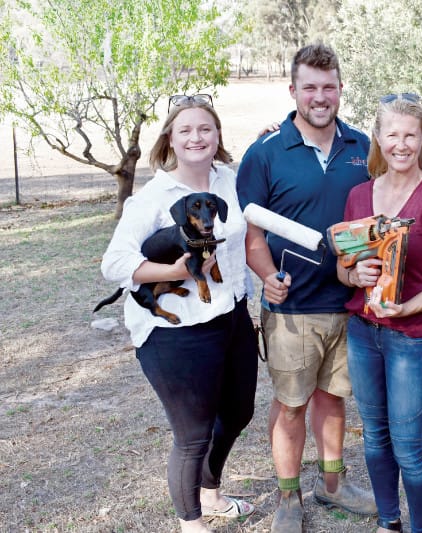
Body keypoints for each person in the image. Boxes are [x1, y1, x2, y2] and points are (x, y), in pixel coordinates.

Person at [100, 94, 258, 533]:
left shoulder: (229, 180)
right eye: (185, 129)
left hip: (231, 316)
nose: (196, 137)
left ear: (218, 135)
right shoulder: (154, 197)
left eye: (205, 129)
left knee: (240, 411)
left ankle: (211, 492)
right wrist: (173, 270)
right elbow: (114, 263)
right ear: (170, 137)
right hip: (178, 333)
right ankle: (191, 523)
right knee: (193, 435)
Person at [235, 43, 377, 532]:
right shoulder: (265, 153)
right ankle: (288, 498)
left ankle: (332, 484)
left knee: (333, 397)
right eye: (310, 87)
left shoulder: (362, 148)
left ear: (340, 89)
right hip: (293, 307)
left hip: (350, 302)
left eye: (329, 87)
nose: (321, 96)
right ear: (293, 90)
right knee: (292, 403)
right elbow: (254, 237)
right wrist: (267, 277)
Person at [338, 93, 422, 533]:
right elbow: (345, 265)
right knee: (374, 437)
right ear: (378, 137)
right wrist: (354, 277)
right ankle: (389, 522)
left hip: (412, 338)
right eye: (392, 134)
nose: (401, 143)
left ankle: (421, 529)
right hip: (363, 332)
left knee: (409, 446)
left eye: (410, 134)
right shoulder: (359, 196)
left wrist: (409, 306)